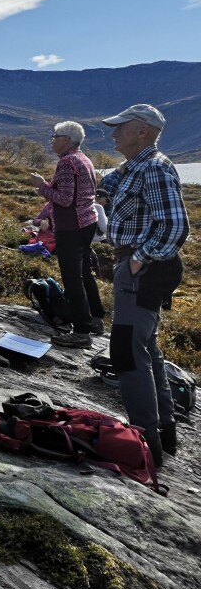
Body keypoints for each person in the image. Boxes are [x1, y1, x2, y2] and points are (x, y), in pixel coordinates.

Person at [102, 104, 189, 466]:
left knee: (126, 350)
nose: (114, 132)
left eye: (121, 126)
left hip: (142, 267)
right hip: (138, 265)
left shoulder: (153, 167)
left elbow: (175, 225)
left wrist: (139, 258)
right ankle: (163, 434)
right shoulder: (136, 167)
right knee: (146, 347)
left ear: (142, 131)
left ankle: (144, 443)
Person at [29, 121, 103, 347]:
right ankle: (96, 319)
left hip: (71, 227)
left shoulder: (67, 162)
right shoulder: (83, 159)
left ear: (66, 140)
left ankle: (81, 332)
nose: (52, 140)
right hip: (87, 222)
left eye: (55, 136)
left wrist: (42, 185)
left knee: (72, 279)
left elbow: (64, 199)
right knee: (84, 273)